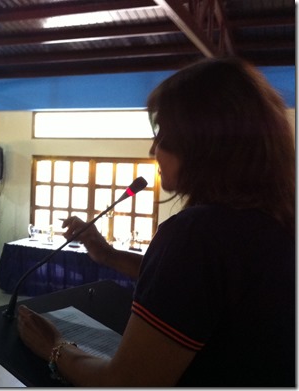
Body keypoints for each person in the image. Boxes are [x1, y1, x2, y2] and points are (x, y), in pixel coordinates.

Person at [16, 58, 295, 387]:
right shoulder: (275, 219)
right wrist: (107, 254)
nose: (153, 149)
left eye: (163, 135)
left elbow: (128, 382)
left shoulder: (197, 233)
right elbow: (201, 289)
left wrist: (55, 348)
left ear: (202, 141)